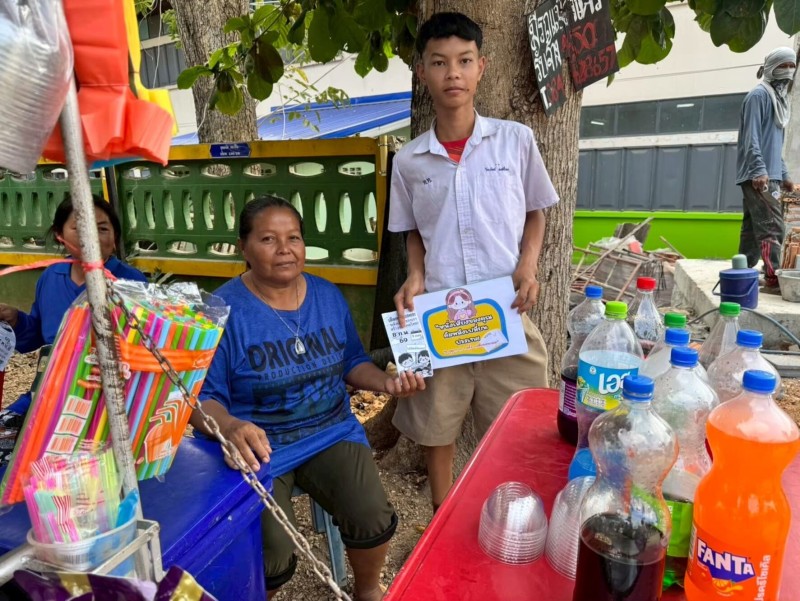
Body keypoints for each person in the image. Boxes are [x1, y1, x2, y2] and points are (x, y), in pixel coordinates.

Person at [193, 195, 424, 601]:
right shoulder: (223, 311)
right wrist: (230, 426)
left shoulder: (327, 295)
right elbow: (200, 399)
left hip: (330, 431)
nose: (285, 249)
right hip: (260, 446)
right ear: (243, 247)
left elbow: (351, 361)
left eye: (294, 237)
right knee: (271, 552)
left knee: (371, 514)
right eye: (268, 239)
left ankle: (368, 591)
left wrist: (386, 384)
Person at [388, 12, 558, 512]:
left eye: (464, 61)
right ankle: (442, 517)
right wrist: (416, 274)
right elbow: (413, 230)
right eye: (440, 63)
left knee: (519, 422)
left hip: (504, 308)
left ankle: (514, 514)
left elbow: (536, 211)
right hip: (440, 312)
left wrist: (527, 266)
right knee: (435, 425)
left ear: (481, 67)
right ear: (422, 71)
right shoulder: (409, 161)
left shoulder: (515, 140)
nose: (453, 74)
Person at [0, 195, 146, 420]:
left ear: (115, 237)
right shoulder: (51, 277)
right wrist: (16, 320)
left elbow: (145, 352)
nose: (92, 237)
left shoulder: (131, 284)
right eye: (80, 228)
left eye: (102, 229)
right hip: (48, 394)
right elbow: (38, 336)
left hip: (109, 403)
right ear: (59, 235)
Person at [736, 47, 796, 293]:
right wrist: (759, 171)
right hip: (758, 175)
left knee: (753, 229)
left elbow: (773, 145)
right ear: (771, 67)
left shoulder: (778, 101)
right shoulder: (759, 96)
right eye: (783, 66)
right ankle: (772, 279)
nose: (788, 71)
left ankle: (741, 274)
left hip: (769, 174)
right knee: (772, 226)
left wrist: (784, 175)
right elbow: (751, 138)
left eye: (792, 66)